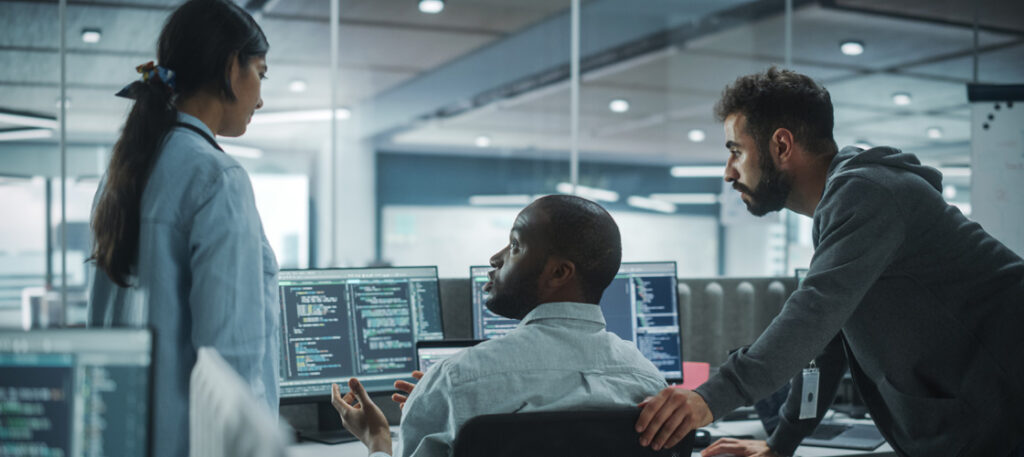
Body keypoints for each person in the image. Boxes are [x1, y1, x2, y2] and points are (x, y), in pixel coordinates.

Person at [635, 67, 1024, 456]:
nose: (728, 172)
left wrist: (710, 398)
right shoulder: (845, 206)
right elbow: (827, 346)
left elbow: (811, 315)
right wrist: (780, 444)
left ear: (782, 146)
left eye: (736, 151)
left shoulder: (868, 194)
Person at [331, 195, 668, 457]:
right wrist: (442, 406)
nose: (496, 257)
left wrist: (378, 439)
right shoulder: (652, 385)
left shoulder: (455, 379)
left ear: (559, 273)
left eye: (516, 246)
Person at [87, 1, 277, 456]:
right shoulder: (218, 178)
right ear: (232, 68)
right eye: (261, 74)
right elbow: (229, 365)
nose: (262, 97)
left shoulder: (122, 172)